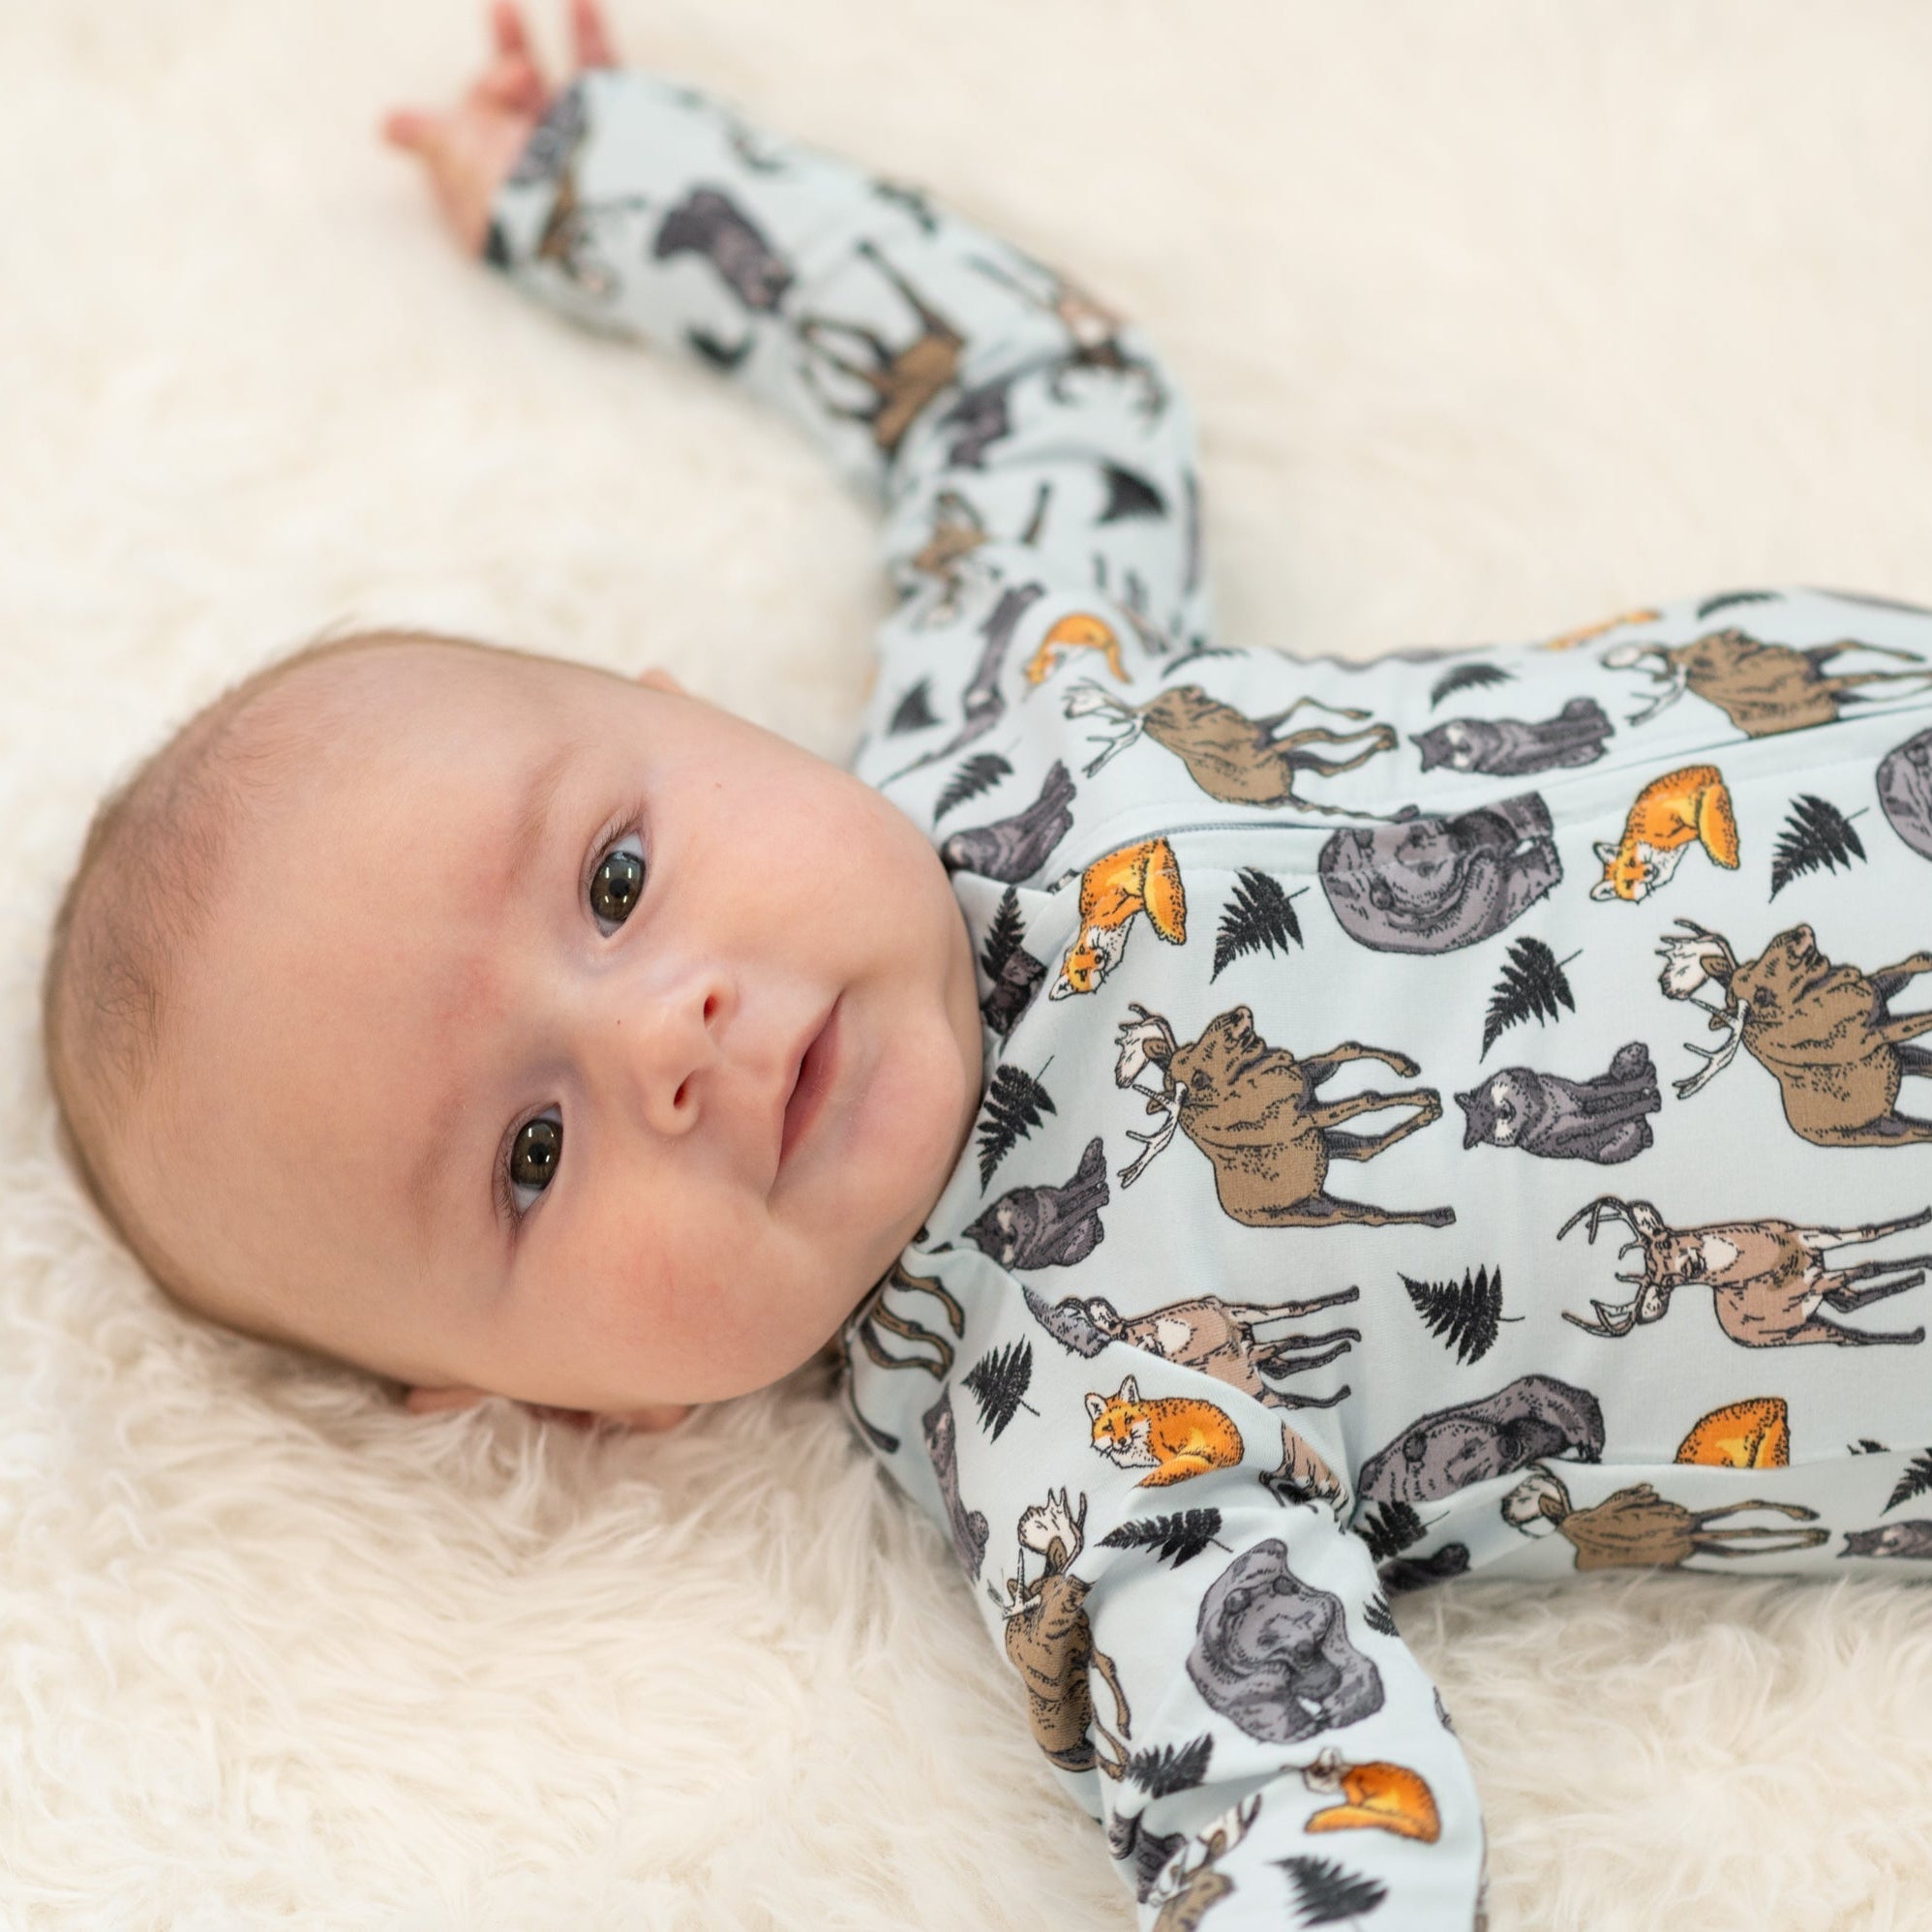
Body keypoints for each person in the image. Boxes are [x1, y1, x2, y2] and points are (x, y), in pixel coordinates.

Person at [41, 3, 1932, 1922]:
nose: (663, 1041)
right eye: (532, 1156)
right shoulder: (1078, 1445)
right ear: (580, 1402)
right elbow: (1301, 1802)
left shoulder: (1008, 684)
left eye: (614, 879)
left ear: (696, 714)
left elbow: (1023, 390)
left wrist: (615, 184)